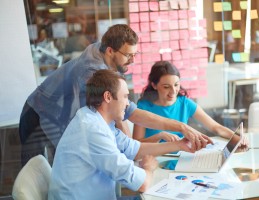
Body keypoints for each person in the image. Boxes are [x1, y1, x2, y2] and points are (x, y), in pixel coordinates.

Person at [19, 24, 211, 166]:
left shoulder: (104, 51)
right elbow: (128, 112)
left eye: (135, 55)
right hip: (40, 113)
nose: (133, 60)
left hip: (59, 111)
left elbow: (121, 111)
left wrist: (131, 147)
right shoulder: (92, 71)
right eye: (129, 55)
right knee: (43, 172)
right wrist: (180, 126)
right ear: (111, 50)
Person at [48, 70, 195, 200]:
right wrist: (149, 168)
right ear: (108, 97)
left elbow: (134, 149)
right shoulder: (92, 130)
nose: (127, 104)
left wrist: (179, 145)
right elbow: (141, 184)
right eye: (125, 97)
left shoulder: (97, 119)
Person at [133, 61, 245, 144]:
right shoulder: (143, 107)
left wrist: (237, 138)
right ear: (154, 85)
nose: (173, 91)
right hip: (155, 161)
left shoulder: (185, 103)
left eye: (176, 85)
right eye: (166, 87)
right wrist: (159, 136)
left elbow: (215, 127)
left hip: (181, 157)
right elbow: (136, 145)